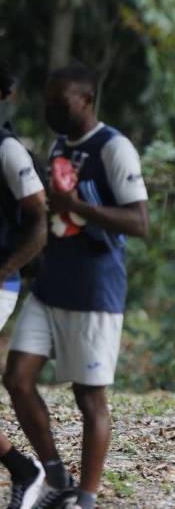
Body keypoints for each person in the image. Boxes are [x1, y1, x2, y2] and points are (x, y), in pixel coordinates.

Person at [3, 62, 149, 509]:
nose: (51, 109)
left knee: (89, 399)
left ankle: (84, 496)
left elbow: (139, 221)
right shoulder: (60, 144)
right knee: (17, 378)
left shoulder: (114, 147)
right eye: (47, 102)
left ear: (85, 99)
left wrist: (78, 205)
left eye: (58, 103)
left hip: (94, 291)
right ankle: (52, 474)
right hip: (50, 288)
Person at [0, 61, 47, 509]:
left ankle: (26, 469)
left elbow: (39, 221)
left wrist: (3, 271)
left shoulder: (9, 150)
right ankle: (23, 468)